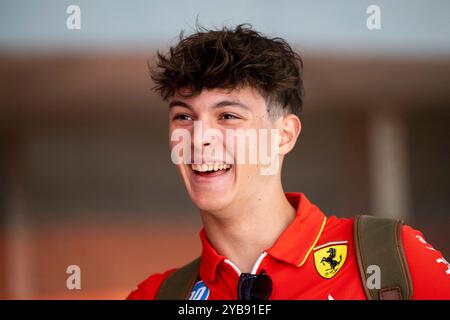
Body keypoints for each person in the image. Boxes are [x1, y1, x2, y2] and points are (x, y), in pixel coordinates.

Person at [127, 24, 450, 300]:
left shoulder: (391, 258)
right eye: (183, 116)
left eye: (227, 116)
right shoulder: (156, 295)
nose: (198, 138)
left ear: (284, 135)